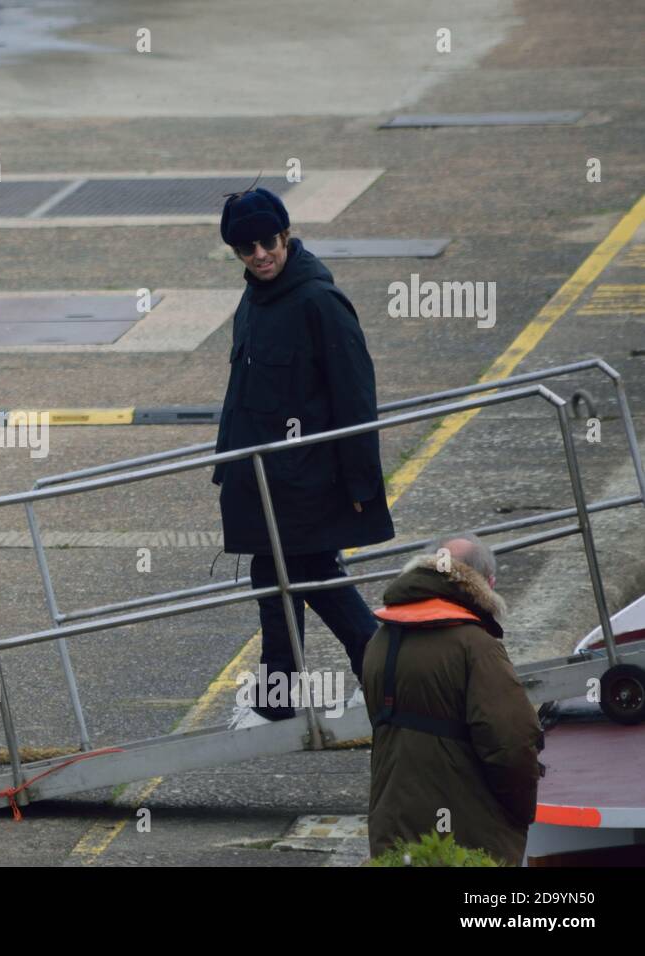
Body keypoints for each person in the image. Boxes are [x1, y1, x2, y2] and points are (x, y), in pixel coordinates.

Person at [211, 187, 394, 720]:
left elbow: (355, 397)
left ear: (285, 235)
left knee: (309, 576)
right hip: (263, 479)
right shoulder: (256, 297)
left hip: (306, 481)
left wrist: (362, 486)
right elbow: (242, 391)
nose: (260, 255)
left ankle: (379, 678)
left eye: (268, 242)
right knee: (280, 577)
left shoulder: (318, 301)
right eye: (247, 249)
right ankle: (287, 695)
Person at [363, 535, 543, 865]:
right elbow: (512, 743)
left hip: (390, 823)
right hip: (465, 833)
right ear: (488, 583)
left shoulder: (381, 638)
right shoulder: (476, 646)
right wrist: (520, 812)